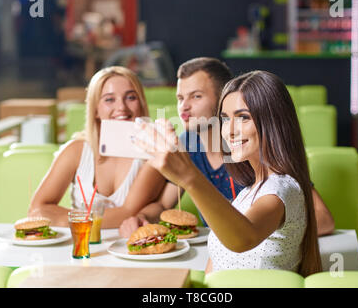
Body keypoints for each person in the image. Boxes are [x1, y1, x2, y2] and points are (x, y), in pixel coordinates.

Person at [132, 70, 323, 276]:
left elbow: (243, 239)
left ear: (273, 122)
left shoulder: (282, 188)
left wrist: (189, 177)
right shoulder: (247, 192)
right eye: (224, 119)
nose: (229, 131)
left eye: (243, 117)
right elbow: (217, 262)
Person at [119, 57, 334, 237]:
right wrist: (143, 217)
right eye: (180, 98)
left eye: (196, 96)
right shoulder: (188, 143)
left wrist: (262, 232)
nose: (184, 106)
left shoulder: (249, 146)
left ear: (224, 98)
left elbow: (323, 219)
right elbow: (164, 204)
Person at [28, 66, 166, 227]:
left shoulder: (154, 154)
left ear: (141, 104)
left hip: (128, 246)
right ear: (95, 110)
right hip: (81, 246)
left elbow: (128, 213)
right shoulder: (76, 150)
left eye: (131, 97)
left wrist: (65, 219)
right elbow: (37, 210)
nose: (121, 107)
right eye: (109, 99)